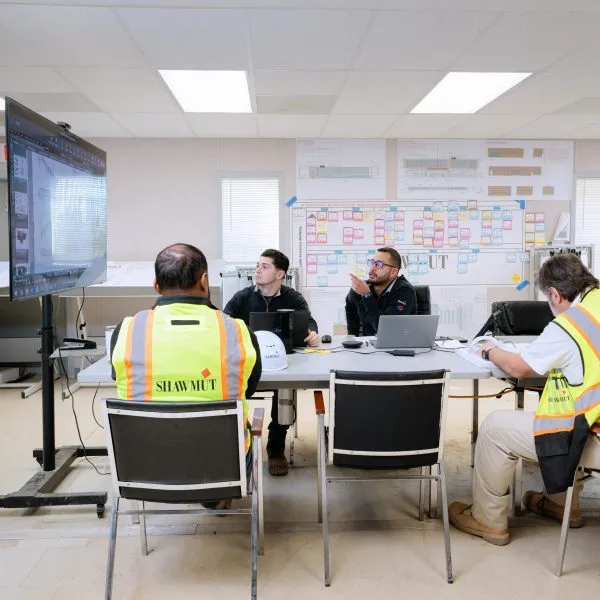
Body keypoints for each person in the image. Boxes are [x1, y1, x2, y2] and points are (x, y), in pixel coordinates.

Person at [450, 254, 600, 545]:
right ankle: (560, 504)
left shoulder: (571, 326)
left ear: (555, 294)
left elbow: (518, 367)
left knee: (496, 427)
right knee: (570, 410)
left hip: (593, 437)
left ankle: (487, 519)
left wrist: (489, 351)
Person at [110, 243, 261, 509]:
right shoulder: (236, 330)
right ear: (205, 281)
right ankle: (212, 493)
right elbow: (247, 389)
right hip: (224, 465)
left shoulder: (128, 329)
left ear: (156, 285)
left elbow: (120, 379)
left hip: (142, 466)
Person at [224, 249, 319, 477]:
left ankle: (276, 446)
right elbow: (225, 322)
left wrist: (313, 333)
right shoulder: (243, 297)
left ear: (280, 274)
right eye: (257, 265)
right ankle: (238, 443)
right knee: (228, 387)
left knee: (284, 389)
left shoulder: (293, 298)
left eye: (264, 266)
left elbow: (310, 322)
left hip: (282, 359)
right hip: (248, 360)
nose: (257, 269)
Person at [345, 246, 417, 336]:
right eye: (372, 263)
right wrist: (353, 338)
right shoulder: (363, 288)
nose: (372, 269)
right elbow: (349, 305)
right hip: (368, 347)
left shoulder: (404, 291)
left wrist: (366, 295)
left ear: (393, 272)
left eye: (379, 265)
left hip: (397, 346)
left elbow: (386, 329)